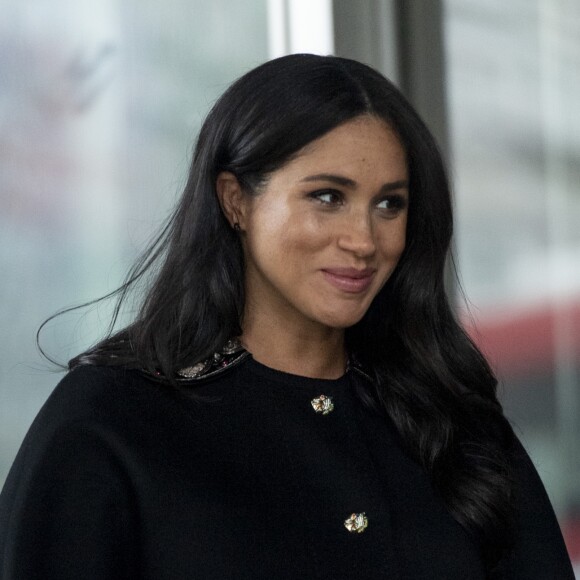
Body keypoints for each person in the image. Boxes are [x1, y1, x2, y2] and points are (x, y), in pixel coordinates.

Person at [0, 54, 573, 579]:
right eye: (327, 196)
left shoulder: (449, 413)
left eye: (388, 204)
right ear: (236, 201)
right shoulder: (112, 417)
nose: (363, 240)